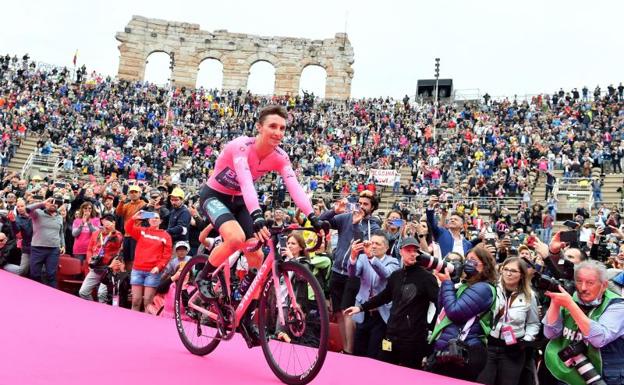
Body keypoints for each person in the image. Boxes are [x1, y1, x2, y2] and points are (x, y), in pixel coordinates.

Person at [196, 105, 327, 342]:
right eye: (273, 126)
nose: (278, 132)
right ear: (259, 127)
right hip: (215, 196)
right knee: (236, 239)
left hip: (241, 201)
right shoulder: (241, 147)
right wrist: (257, 215)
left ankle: (244, 315)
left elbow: (294, 187)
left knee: (257, 255)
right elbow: (246, 182)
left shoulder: (280, 157)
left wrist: (312, 216)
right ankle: (203, 276)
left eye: (282, 128)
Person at [344, 237, 439, 368]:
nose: (412, 253)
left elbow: (439, 303)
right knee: (383, 370)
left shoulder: (427, 278)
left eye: (415, 251)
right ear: (401, 252)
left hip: (413, 339)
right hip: (391, 334)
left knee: (409, 376)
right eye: (408, 250)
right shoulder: (397, 275)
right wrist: (360, 308)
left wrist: (431, 330)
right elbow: (384, 296)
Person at [320, 190, 381, 355]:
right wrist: (334, 210)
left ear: (373, 208)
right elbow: (319, 221)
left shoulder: (373, 225)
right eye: (360, 202)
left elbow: (363, 245)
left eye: (366, 204)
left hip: (354, 274)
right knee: (338, 312)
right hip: (336, 270)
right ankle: (345, 347)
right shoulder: (345, 217)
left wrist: (356, 225)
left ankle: (349, 351)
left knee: (348, 311)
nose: (361, 206)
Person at [543, 260, 624, 385]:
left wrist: (570, 305)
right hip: (569, 373)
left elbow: (599, 339)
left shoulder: (618, 305)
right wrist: (555, 302)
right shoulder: (570, 297)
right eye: (579, 281)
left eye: (590, 283)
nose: (583, 288)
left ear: (604, 285)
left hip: (604, 376)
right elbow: (551, 334)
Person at [427, 245, 498, 381]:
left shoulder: (484, 289)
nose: (467, 262)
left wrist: (447, 283)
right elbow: (444, 309)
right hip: (449, 347)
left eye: (473, 259)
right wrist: (450, 282)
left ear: (484, 265)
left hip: (466, 350)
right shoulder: (465, 286)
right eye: (467, 259)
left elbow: (455, 313)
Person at [477, 257, 540, 385]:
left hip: (513, 350)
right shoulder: (492, 289)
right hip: (489, 346)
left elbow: (533, 323)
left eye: (513, 271)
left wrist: (525, 341)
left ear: (522, 275)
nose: (508, 273)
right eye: (505, 269)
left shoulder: (530, 296)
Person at [347, 231, 400, 358]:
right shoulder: (363, 257)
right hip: (362, 311)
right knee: (358, 349)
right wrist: (353, 257)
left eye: (377, 244)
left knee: (373, 352)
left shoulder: (393, 262)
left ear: (386, 247)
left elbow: (386, 274)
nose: (374, 246)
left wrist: (371, 258)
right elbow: (352, 273)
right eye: (372, 243)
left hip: (381, 314)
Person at [125, 210, 172, 312]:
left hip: (153, 272)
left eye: (157, 218)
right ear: (148, 220)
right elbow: (128, 228)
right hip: (137, 270)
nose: (154, 219)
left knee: (147, 302)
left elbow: (167, 255)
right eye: (152, 217)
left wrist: (158, 267)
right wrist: (134, 218)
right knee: (136, 301)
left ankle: (146, 325)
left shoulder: (166, 236)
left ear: (161, 221)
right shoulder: (142, 231)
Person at [78, 214, 123, 302]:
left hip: (109, 269)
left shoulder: (117, 234)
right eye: (103, 222)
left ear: (113, 223)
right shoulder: (96, 233)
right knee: (83, 292)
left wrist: (112, 231)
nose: (105, 224)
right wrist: (89, 259)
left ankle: (103, 312)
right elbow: (89, 249)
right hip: (96, 267)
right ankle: (92, 310)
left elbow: (117, 244)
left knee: (102, 294)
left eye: (108, 222)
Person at [28, 196, 65, 288]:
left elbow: (61, 232)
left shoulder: (59, 217)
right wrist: (43, 203)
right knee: (34, 274)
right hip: (37, 248)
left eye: (55, 202)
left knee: (51, 275)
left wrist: (63, 245)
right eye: (50, 202)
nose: (53, 204)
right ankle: (35, 292)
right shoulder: (38, 214)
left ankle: (52, 297)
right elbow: (28, 208)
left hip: (53, 250)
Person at [116, 184, 146, 270]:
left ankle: (133, 276)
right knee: (127, 258)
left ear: (140, 194)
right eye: (131, 192)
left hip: (137, 235)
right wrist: (121, 201)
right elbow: (118, 213)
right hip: (127, 235)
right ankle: (129, 277)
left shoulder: (144, 204)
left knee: (135, 257)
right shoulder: (126, 205)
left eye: (135, 192)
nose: (133, 194)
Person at [3, 198, 32, 276]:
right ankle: (5, 265)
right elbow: (17, 234)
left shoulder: (34, 215)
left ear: (26, 206)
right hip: (27, 247)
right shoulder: (17, 219)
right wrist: (13, 221)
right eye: (18, 206)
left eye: (22, 206)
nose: (20, 208)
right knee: (22, 271)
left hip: (39, 247)